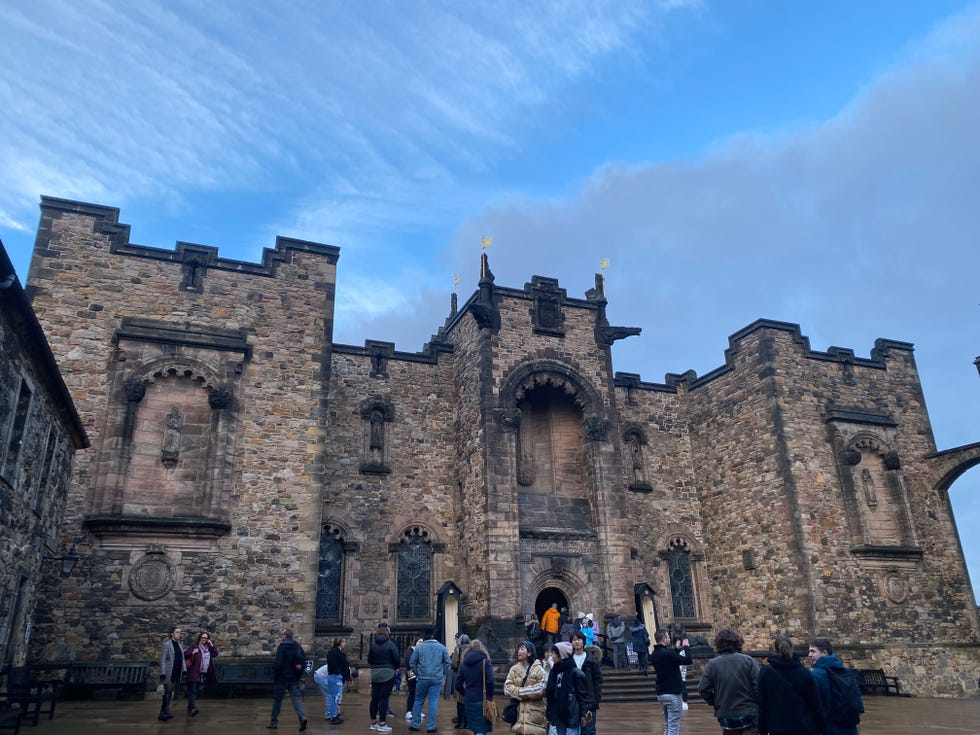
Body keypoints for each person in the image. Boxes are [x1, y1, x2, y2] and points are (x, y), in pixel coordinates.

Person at [697, 628, 759, 735]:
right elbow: (759, 687)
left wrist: (715, 701)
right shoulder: (749, 661)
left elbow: (703, 688)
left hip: (727, 715)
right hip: (749, 713)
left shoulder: (713, 664)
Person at [757, 636, 822, 735]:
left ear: (775, 650)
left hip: (778, 728)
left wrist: (762, 730)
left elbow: (762, 704)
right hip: (803, 728)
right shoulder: (804, 673)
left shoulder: (766, 672)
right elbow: (815, 704)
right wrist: (821, 728)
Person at [807, 639, 864, 735]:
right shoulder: (847, 673)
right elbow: (858, 704)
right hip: (850, 727)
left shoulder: (816, 675)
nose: (809, 655)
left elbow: (812, 704)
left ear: (824, 652)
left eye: (813, 651)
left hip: (830, 728)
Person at [410, 627, 451, 733]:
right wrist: (442, 672)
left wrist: (417, 672)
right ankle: (431, 727)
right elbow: (447, 662)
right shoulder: (441, 647)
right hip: (436, 677)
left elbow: (412, 662)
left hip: (422, 677)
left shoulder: (419, 648)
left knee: (418, 701)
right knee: (433, 702)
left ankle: (415, 725)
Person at [651, 629, 690, 735]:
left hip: (662, 692)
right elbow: (688, 660)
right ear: (664, 639)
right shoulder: (668, 653)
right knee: (673, 725)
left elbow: (670, 660)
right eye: (668, 637)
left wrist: (676, 650)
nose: (669, 639)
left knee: (668, 723)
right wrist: (686, 648)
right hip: (672, 693)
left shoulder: (654, 654)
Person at [268, 629, 308, 731]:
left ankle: (274, 722)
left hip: (281, 678)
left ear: (285, 636)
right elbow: (303, 660)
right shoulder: (297, 646)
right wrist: (298, 674)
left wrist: (276, 674)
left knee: (277, 700)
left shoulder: (281, 647)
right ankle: (302, 717)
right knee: (296, 699)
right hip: (294, 678)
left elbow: (278, 663)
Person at [504, 641, 547, 735]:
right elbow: (507, 688)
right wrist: (528, 693)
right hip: (518, 715)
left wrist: (518, 692)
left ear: (529, 653)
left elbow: (541, 688)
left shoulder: (538, 669)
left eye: (522, 649)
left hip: (535, 715)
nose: (519, 651)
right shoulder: (514, 669)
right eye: (519, 649)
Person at [545, 642, 588, 735]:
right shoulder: (554, 671)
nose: (551, 656)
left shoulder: (575, 673)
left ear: (562, 655)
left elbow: (582, 695)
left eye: (554, 653)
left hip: (571, 715)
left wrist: (583, 714)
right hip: (556, 714)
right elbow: (550, 694)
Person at [455, 638, 495, 735]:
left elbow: (458, 684)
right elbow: (490, 680)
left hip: (469, 700)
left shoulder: (463, 664)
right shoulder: (485, 662)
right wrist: (489, 695)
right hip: (483, 699)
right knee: (481, 729)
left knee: (475, 728)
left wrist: (466, 693)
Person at [368, 622, 400, 733]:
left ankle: (373, 723)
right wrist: (394, 668)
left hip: (375, 673)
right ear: (387, 631)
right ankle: (382, 723)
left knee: (374, 699)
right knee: (383, 699)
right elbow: (397, 659)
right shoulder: (391, 644)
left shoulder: (373, 645)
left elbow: (369, 660)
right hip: (388, 673)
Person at [570, 633, 602, 735]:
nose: (577, 642)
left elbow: (598, 680)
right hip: (573, 700)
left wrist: (596, 698)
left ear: (583, 641)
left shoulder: (591, 660)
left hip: (589, 700)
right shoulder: (569, 660)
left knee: (589, 729)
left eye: (579, 639)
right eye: (574, 640)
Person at [315, 637, 351, 724]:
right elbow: (336, 665)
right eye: (344, 642)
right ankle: (333, 716)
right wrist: (340, 673)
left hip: (337, 676)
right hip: (335, 676)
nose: (345, 644)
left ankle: (332, 714)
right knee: (335, 697)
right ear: (340, 643)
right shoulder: (334, 653)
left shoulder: (338, 653)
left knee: (334, 697)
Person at [184, 631, 218, 718]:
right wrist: (192, 653)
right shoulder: (194, 647)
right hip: (192, 672)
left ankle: (190, 707)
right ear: (200, 638)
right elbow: (185, 654)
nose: (204, 639)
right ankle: (193, 708)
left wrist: (211, 645)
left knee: (195, 691)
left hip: (201, 673)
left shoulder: (208, 648)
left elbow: (215, 654)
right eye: (203, 637)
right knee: (193, 690)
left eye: (206, 638)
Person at [158, 626, 186, 722]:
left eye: (180, 632)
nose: (179, 634)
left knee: (169, 693)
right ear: (172, 634)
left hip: (177, 671)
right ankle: (163, 713)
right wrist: (162, 672)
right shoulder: (166, 644)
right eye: (177, 632)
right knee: (167, 693)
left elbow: (182, 658)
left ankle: (166, 711)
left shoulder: (179, 644)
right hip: (169, 672)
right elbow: (163, 660)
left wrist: (184, 670)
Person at [451, 634, 472, 729]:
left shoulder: (458, 649)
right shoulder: (473, 649)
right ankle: (468, 723)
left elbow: (454, 663)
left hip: (461, 676)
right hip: (471, 678)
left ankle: (460, 723)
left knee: (460, 702)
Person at [403, 638, 423, 722]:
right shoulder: (410, 651)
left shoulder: (422, 651)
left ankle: (417, 711)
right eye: (419, 642)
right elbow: (408, 663)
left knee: (419, 694)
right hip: (411, 675)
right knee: (412, 692)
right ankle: (409, 711)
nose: (421, 643)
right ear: (415, 642)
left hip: (420, 674)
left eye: (422, 642)